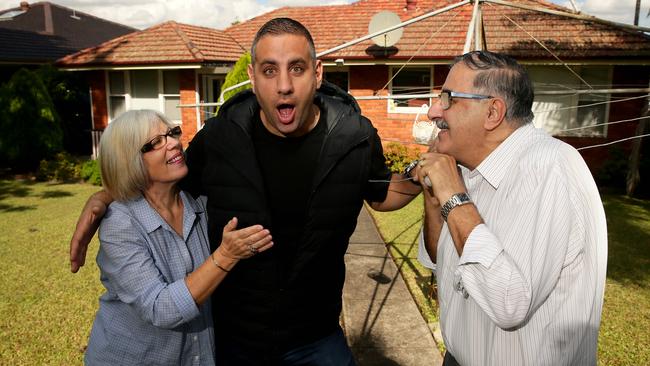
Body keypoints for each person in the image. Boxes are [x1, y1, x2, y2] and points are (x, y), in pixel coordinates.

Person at [70, 18, 421, 365]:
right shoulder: (220, 137)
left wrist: (422, 177)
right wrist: (106, 196)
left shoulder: (355, 138)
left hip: (316, 334)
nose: (284, 85)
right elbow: (160, 182)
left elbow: (380, 193)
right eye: (269, 71)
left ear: (317, 73)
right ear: (252, 78)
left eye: (296, 69)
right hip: (235, 337)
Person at [414, 50, 608, 365]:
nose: (434, 111)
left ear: (493, 112)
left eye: (448, 98)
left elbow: (509, 302)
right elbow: (441, 260)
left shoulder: (551, 166)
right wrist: (435, 199)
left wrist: (453, 196)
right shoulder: (467, 168)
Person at [83, 110, 272, 365]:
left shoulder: (200, 205)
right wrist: (226, 256)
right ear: (129, 160)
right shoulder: (120, 223)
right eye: (154, 143)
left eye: (172, 133)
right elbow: (160, 308)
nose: (173, 143)